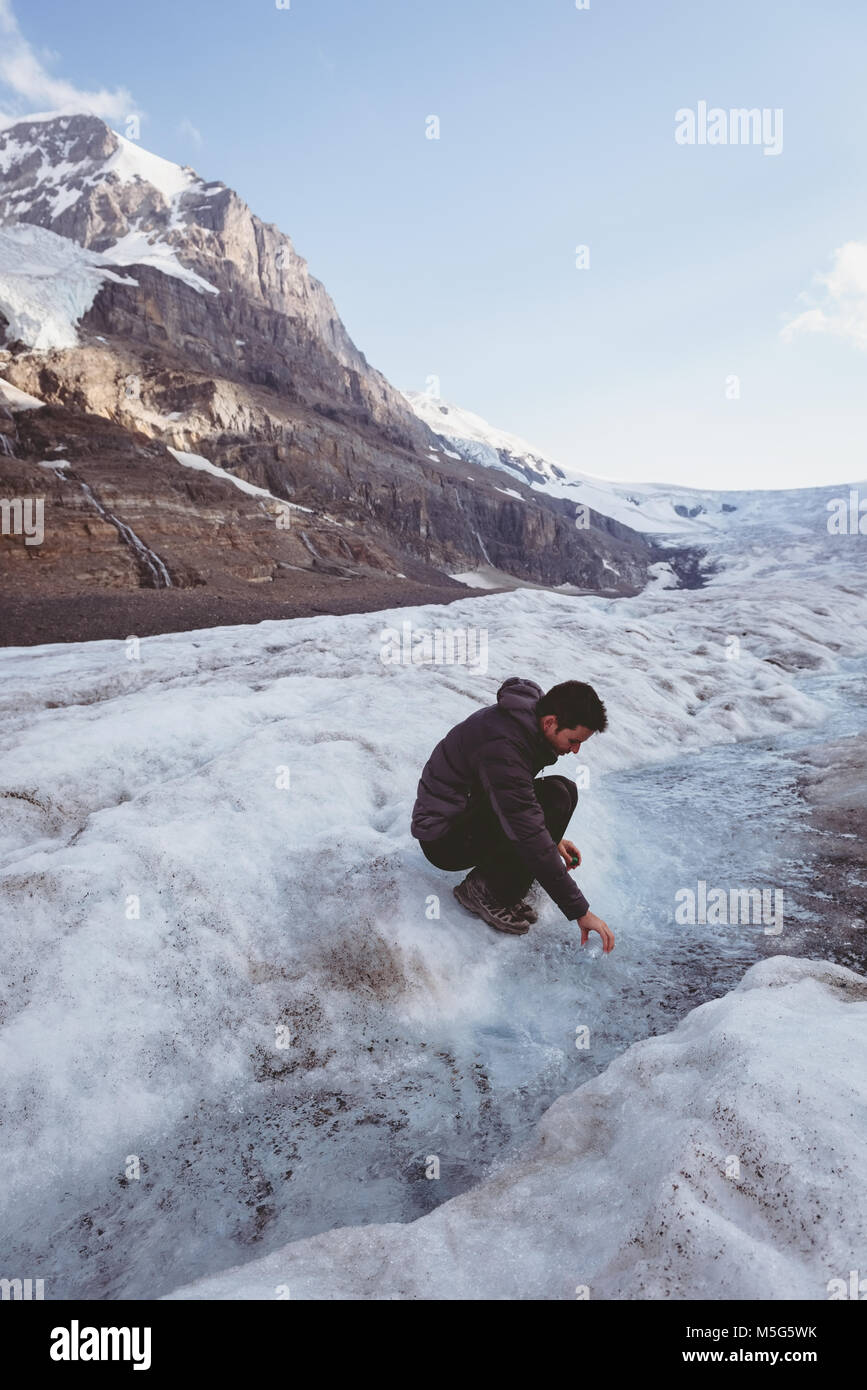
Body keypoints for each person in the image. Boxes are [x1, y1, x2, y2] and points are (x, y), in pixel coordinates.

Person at [411, 677, 614, 949]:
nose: (576, 749)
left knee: (563, 791)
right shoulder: (504, 743)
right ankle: (485, 891)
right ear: (550, 722)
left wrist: (553, 839)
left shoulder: (525, 724)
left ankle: (498, 886)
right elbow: (525, 828)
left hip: (469, 813)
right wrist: (580, 911)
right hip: (444, 838)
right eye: (573, 740)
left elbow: (512, 796)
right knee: (552, 803)